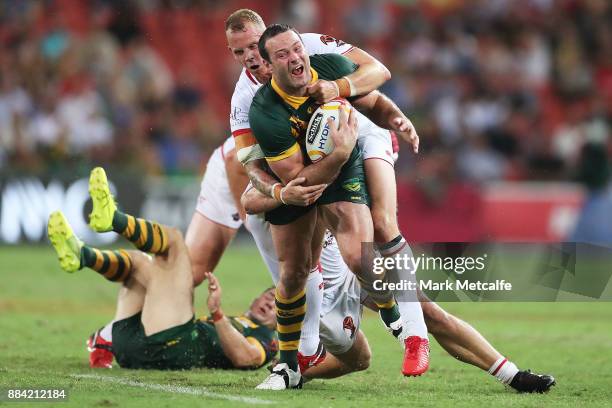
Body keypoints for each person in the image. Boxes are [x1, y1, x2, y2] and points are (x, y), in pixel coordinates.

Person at [225, 9, 428, 381]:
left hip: (356, 132)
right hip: (310, 163)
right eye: (239, 53)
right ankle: (298, 357)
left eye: (254, 45)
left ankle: (412, 331)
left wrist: (378, 108)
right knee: (295, 266)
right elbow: (254, 165)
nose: (250, 57)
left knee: (381, 226)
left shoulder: (309, 49)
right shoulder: (250, 103)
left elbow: (377, 77)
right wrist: (276, 190)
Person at [241, 189, 557, 393]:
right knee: (359, 358)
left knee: (428, 311)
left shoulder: (326, 154)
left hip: (350, 268)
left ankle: (512, 375)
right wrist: (285, 192)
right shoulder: (278, 160)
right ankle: (293, 364)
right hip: (317, 295)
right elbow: (249, 202)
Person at [48, 167, 278, 370]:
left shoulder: (267, 338)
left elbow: (246, 358)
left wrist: (217, 313)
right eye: (269, 296)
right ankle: (83, 256)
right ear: (255, 299)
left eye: (276, 305)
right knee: (139, 262)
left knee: (174, 241)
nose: (269, 302)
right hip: (133, 344)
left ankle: (114, 220)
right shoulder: (239, 319)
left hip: (171, 348)